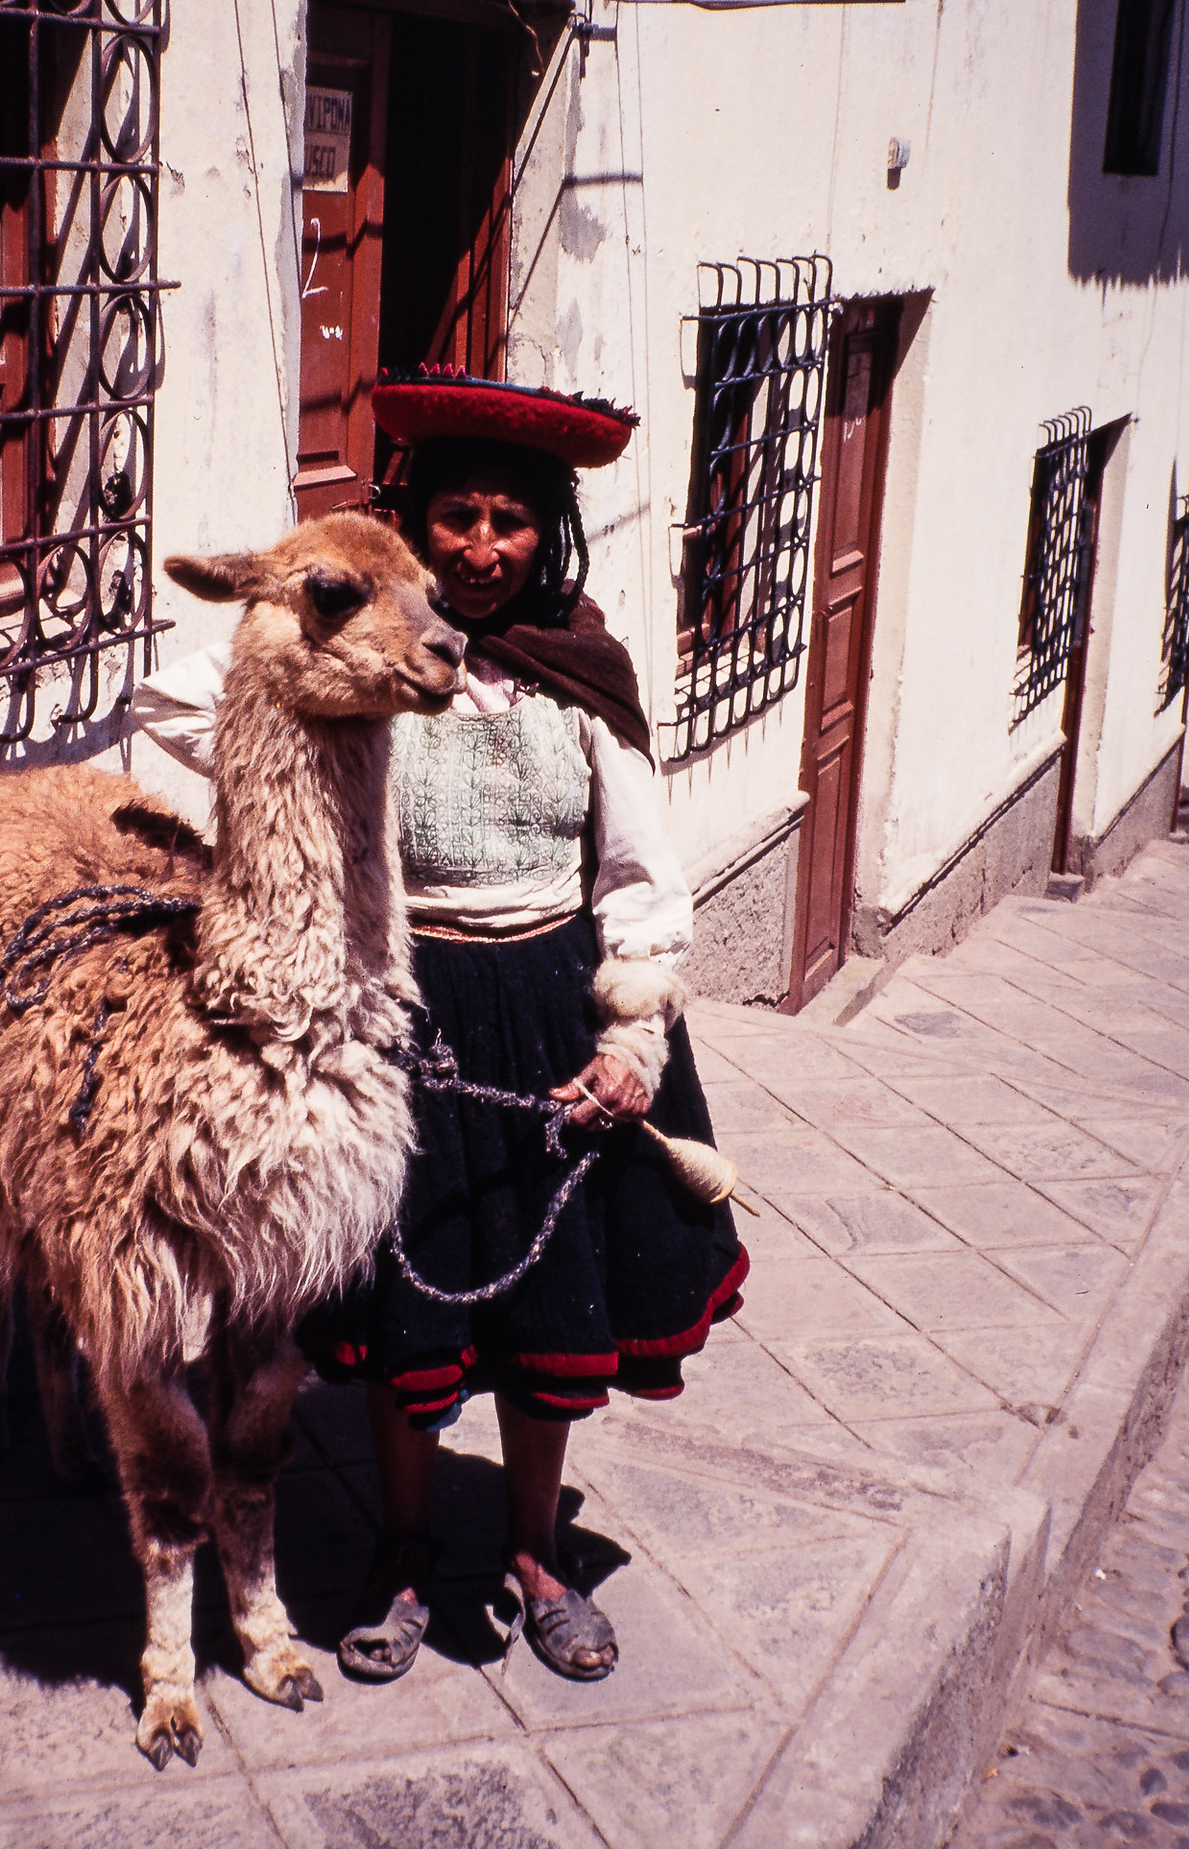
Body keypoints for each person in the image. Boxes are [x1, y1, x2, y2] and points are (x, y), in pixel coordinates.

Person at [130, 369, 748, 1684]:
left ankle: (535, 1552)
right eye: (456, 519)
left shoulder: (578, 678)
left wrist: (631, 1037)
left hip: (549, 1008)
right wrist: (306, 700)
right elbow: (174, 699)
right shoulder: (370, 659)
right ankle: (403, 1555)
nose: (480, 548)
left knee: (545, 1315)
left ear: (547, 536)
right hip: (401, 1014)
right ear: (416, 529)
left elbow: (641, 876)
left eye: (508, 523)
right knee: (410, 1318)